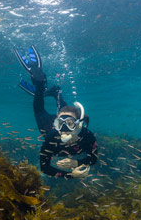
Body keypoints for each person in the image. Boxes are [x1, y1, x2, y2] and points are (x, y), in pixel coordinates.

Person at [15, 46, 98, 179]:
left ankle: (42, 89)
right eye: (60, 123)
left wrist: (76, 163)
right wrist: (71, 174)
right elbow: (44, 167)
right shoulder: (51, 137)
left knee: (39, 110)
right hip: (50, 127)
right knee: (58, 108)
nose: (64, 128)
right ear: (56, 122)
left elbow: (93, 158)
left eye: (70, 123)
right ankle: (47, 87)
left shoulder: (87, 136)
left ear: (78, 124)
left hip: (46, 127)